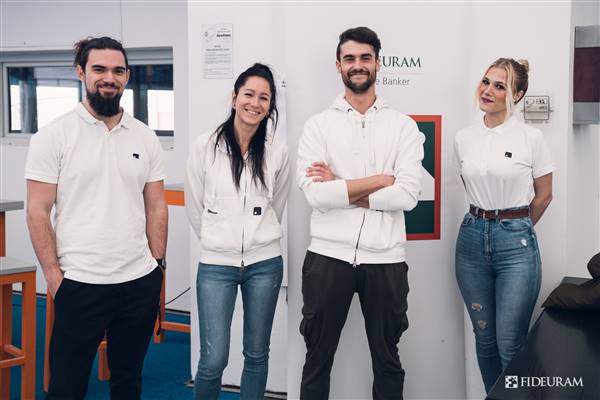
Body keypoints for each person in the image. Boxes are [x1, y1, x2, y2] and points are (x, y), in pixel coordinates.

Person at [25, 36, 167, 399]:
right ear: (81, 73)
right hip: (80, 282)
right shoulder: (53, 136)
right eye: (99, 69)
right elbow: (37, 210)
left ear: (127, 76)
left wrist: (157, 265)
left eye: (118, 71)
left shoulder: (145, 136)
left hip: (138, 281)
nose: (109, 78)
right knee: (66, 387)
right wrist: (54, 277)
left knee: (128, 382)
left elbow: (156, 205)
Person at [297, 27, 424, 400]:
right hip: (327, 256)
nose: (357, 65)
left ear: (378, 64)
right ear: (338, 65)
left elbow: (408, 195)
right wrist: (379, 181)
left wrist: (341, 186)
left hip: (386, 259)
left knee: (388, 361)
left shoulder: (403, 126)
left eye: (365, 58)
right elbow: (315, 194)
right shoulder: (318, 125)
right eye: (349, 58)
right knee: (317, 359)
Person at [185, 63, 290, 400]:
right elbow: (194, 207)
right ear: (234, 98)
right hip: (216, 265)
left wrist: (258, 237)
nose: (255, 103)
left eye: (264, 98)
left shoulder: (277, 151)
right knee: (213, 359)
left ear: (270, 106)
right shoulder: (205, 146)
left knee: (257, 354)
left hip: (265, 264)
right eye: (249, 94)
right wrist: (217, 241)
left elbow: (277, 206)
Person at [454, 58, 554, 393]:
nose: (488, 90)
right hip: (471, 240)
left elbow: (544, 196)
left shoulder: (530, 137)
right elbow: (470, 185)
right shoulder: (464, 138)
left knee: (510, 343)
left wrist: (515, 227)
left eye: (500, 86)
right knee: (484, 338)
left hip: (516, 245)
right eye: (486, 81)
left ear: (518, 95)